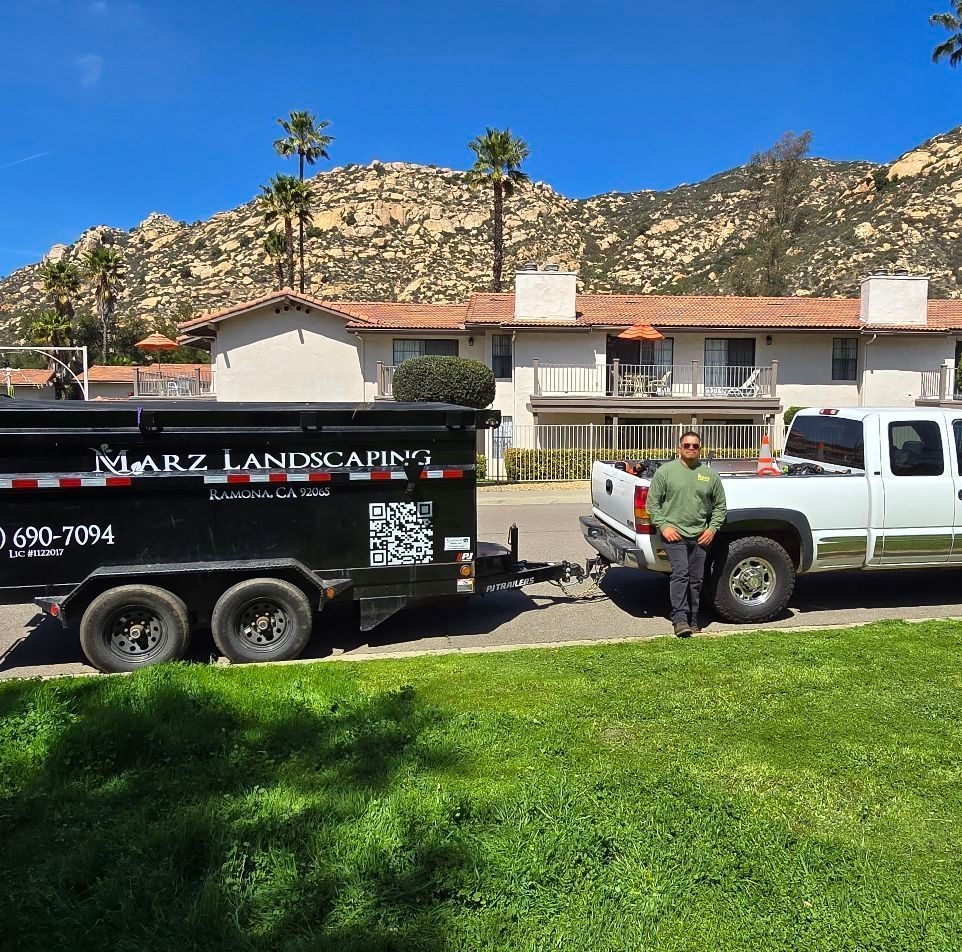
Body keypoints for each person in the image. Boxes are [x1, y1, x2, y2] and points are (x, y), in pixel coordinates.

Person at [646, 431, 727, 636]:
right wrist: (664, 526)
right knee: (680, 574)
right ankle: (680, 620)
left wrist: (712, 529)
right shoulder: (665, 472)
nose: (691, 448)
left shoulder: (710, 475)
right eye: (687, 445)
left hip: (700, 536)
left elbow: (720, 507)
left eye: (695, 446)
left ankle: (694, 620)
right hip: (674, 534)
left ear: (700, 449)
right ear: (679, 448)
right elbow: (652, 504)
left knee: (697, 579)